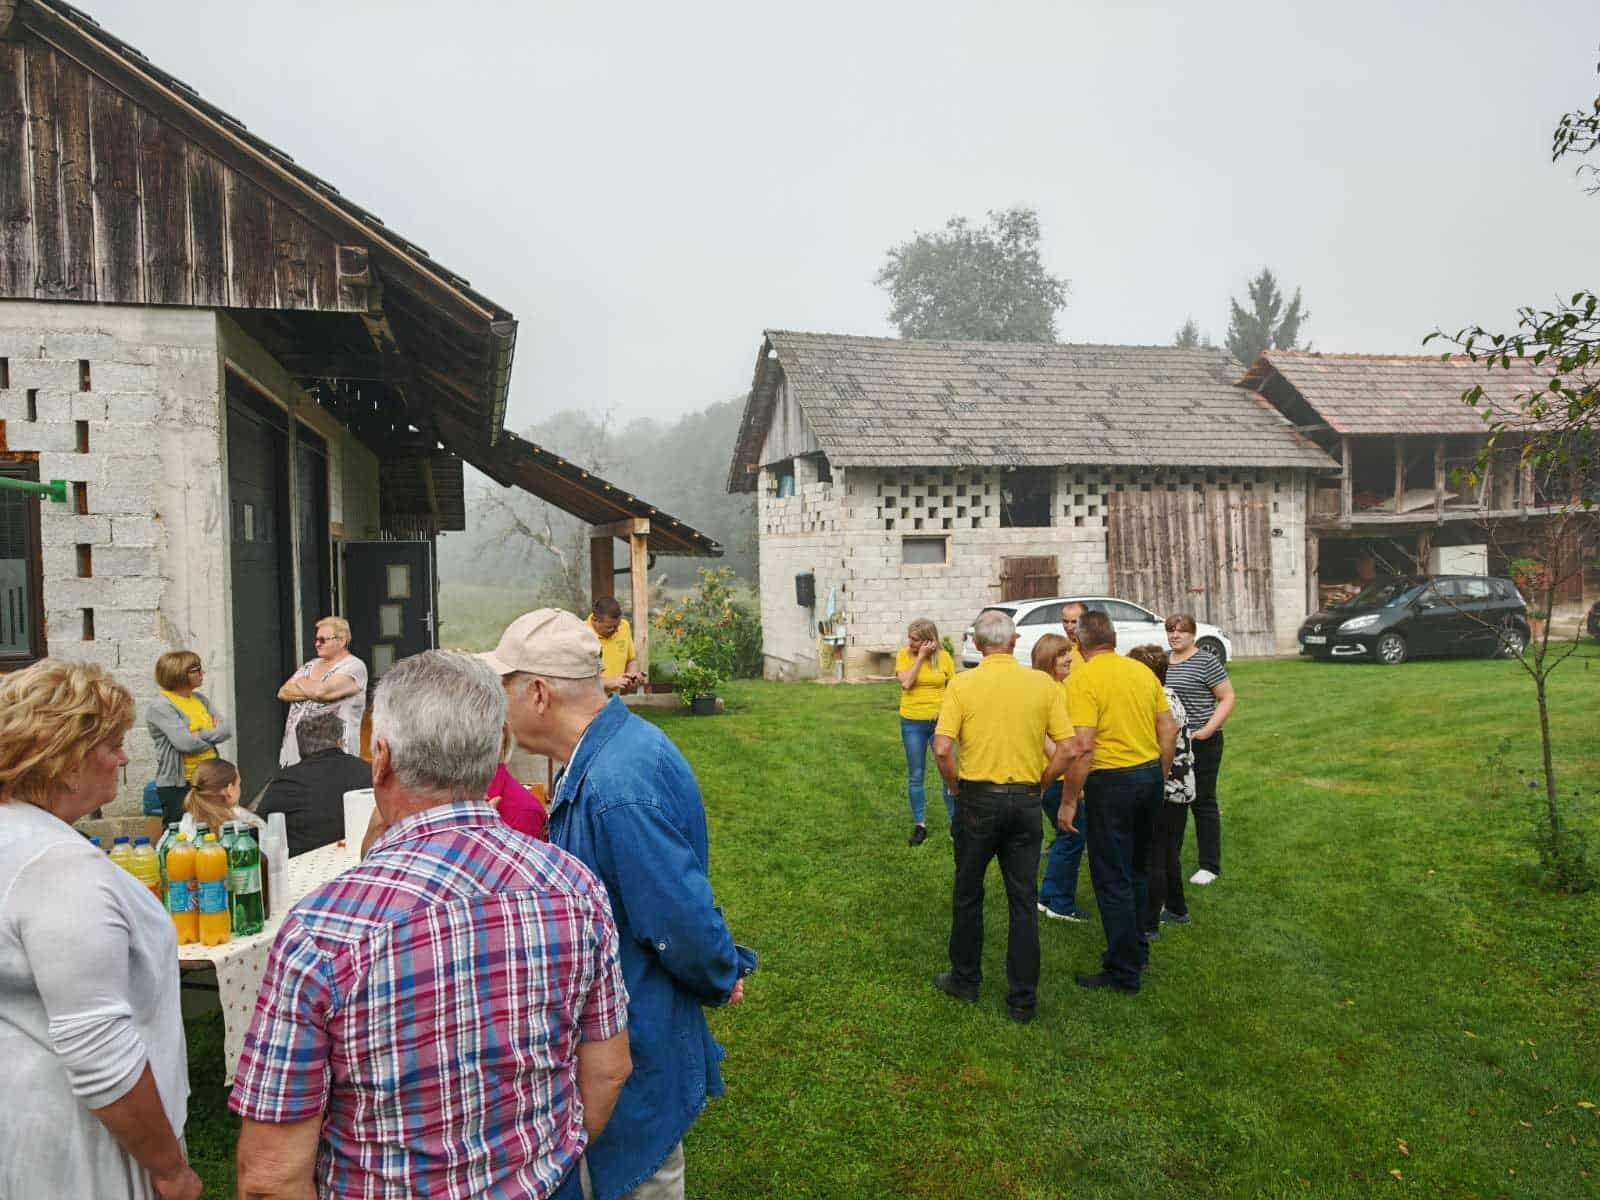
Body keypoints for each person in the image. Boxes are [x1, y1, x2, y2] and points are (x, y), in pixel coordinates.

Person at [232, 650, 631, 1199]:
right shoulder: (574, 887)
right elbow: (608, 1069)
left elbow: (271, 1177)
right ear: (499, 748)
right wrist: (544, 1164)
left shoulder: (323, 932)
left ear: (380, 758)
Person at [483, 608, 751, 1200]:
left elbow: (678, 920)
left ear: (538, 693)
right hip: (627, 1036)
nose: (499, 706)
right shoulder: (606, 757)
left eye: (505, 688)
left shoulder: (616, 785)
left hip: (636, 1046)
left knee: (639, 1179)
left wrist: (720, 971)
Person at [0, 660, 202, 1200]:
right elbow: (98, 1047)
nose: (123, 758)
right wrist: (169, 1170)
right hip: (86, 1149)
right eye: (112, 744)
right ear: (66, 760)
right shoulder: (58, 866)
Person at [931, 608, 1076, 1023]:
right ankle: (1022, 999)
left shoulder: (962, 684)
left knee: (968, 892)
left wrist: (955, 786)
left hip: (978, 798)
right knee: (1023, 899)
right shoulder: (1042, 685)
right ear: (1014, 642)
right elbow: (1067, 749)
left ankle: (965, 980)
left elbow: (941, 748)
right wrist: (1043, 783)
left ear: (978, 645)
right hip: (1025, 798)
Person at [1058, 611, 1177, 994]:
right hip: (1148, 775)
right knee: (1138, 869)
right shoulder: (1140, 671)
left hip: (1112, 782)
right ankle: (1137, 953)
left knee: (1112, 878)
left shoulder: (1083, 680)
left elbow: (1083, 746)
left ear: (1080, 642)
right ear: (1112, 637)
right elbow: (1168, 728)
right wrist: (1159, 773)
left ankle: (1124, 971)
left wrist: (1068, 800)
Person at [1125, 645, 1196, 939]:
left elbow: (1160, 745)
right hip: (1181, 787)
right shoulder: (1170, 695)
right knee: (1168, 853)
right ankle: (1177, 908)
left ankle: (1148, 923)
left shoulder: (1159, 702)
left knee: (1153, 855)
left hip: (1165, 788)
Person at [1164, 613, 1236, 886]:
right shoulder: (1164, 661)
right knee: (1172, 801)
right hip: (1172, 743)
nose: (1175, 635)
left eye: (1181, 631)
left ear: (1193, 634)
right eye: (1170, 630)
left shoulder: (1206, 661)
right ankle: (1170, 858)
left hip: (1203, 741)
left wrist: (1207, 729)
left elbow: (1227, 697)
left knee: (1203, 801)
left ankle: (1209, 864)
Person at [255, 711, 373, 856]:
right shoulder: (367, 771)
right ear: (340, 742)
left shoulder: (285, 782)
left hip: (301, 867)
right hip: (364, 861)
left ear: (299, 747)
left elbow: (256, 830)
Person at [1030, 633, 1089, 922]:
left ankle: (1048, 896)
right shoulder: (1048, 691)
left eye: (1069, 653)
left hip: (1057, 775)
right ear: (1048, 660)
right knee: (1073, 837)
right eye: (1063, 654)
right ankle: (1061, 904)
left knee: (1066, 837)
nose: (1069, 658)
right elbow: (1044, 736)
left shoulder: (1058, 687)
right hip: (1057, 778)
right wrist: (1071, 773)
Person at [145, 650, 233, 825]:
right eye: (196, 670)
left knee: (214, 828)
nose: (202, 673)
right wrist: (211, 733)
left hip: (209, 779)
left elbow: (226, 730)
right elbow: (186, 744)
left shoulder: (201, 699)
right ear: (178, 674)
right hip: (180, 785)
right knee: (182, 833)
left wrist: (198, 734)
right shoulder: (161, 706)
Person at [894, 618, 957, 846]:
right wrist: (920, 657)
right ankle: (920, 825)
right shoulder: (904, 655)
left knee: (947, 774)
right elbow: (906, 683)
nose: (910, 642)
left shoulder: (945, 658)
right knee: (916, 774)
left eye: (915, 639)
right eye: (909, 638)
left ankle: (955, 823)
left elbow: (953, 689)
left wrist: (947, 714)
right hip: (912, 722)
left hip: (941, 723)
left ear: (929, 640)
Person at [277, 616, 368, 767]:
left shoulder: (354, 666)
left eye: (322, 640)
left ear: (342, 640)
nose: (317, 644)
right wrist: (315, 689)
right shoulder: (310, 665)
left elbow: (322, 692)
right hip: (296, 755)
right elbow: (283, 692)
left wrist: (300, 682)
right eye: (316, 640)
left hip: (334, 754)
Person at [179, 758, 265, 843]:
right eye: (238, 784)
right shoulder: (238, 828)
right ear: (230, 790)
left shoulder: (185, 823)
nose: (239, 788)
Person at [588, 596, 644, 694]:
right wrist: (607, 682)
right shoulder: (580, 634)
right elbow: (577, 679)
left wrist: (632, 676)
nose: (616, 630)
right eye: (609, 627)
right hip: (591, 699)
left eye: (617, 625)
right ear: (594, 619)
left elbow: (631, 660)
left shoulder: (624, 626)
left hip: (616, 698)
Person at [1059, 602, 1088, 669]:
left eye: (1074, 622)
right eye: (1065, 621)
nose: (1069, 627)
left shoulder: (1095, 648)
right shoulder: (1059, 647)